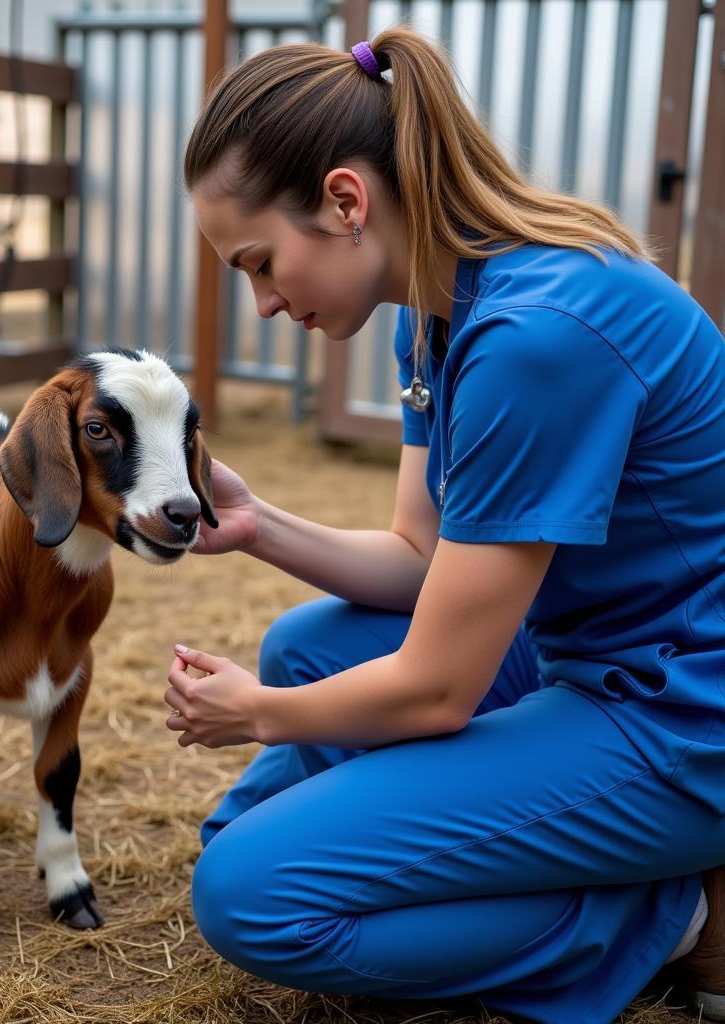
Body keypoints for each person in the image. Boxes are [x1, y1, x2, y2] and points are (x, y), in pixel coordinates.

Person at [161, 25, 725, 1024]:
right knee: (309, 646)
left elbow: (433, 692)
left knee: (250, 897)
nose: (258, 303)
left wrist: (257, 716)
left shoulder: (538, 337)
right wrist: (257, 524)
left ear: (344, 201)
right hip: (583, 659)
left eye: (257, 262)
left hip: (679, 717)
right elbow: (421, 560)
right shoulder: (438, 315)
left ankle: (670, 913)